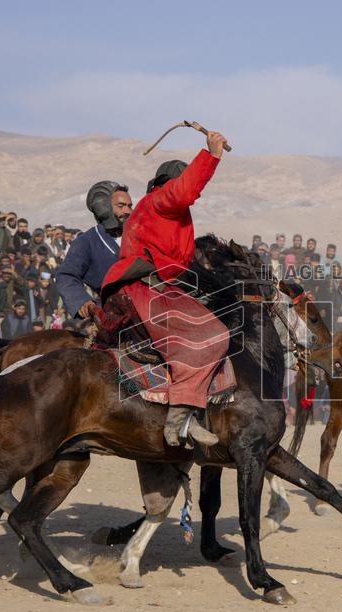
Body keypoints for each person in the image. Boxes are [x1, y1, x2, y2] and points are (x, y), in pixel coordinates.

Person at [101, 131, 230, 448]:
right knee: (215, 337)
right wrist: (211, 154)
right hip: (143, 289)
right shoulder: (161, 201)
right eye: (185, 181)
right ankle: (180, 416)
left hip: (159, 288)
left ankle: (189, 413)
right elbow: (185, 191)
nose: (194, 194)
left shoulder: (171, 214)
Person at [55, 180, 132, 319]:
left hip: (149, 304)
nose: (127, 211)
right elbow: (66, 276)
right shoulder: (87, 242)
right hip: (112, 313)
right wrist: (82, 301)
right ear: (104, 208)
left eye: (129, 206)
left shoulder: (139, 234)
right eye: (121, 206)